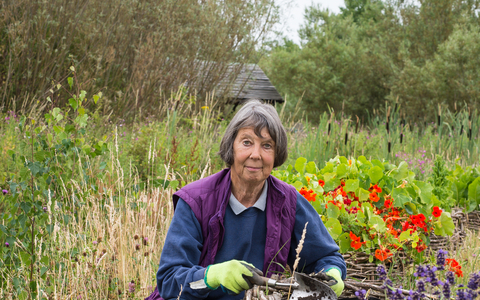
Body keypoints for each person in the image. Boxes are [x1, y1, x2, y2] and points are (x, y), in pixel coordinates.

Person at [146, 100, 346, 300]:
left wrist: (332, 273)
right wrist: (210, 277)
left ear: (276, 154)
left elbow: (326, 257)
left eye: (267, 145)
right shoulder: (197, 201)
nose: (256, 155)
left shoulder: (288, 202)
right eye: (247, 142)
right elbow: (169, 280)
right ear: (231, 146)